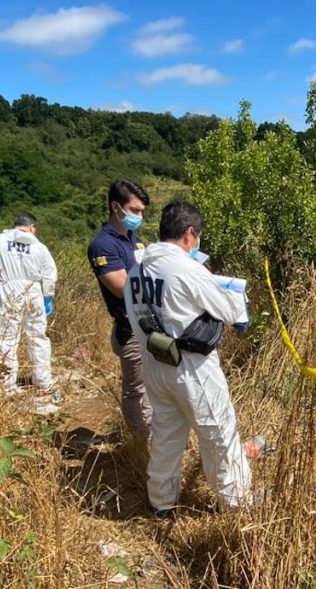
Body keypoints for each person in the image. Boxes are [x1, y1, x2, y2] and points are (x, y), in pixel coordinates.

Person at [124, 201, 252, 516]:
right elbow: (226, 309)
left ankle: (162, 503)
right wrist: (239, 303)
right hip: (192, 367)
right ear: (190, 234)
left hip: (155, 364)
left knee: (166, 436)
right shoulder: (186, 268)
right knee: (219, 434)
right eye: (198, 238)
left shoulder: (135, 271)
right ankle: (236, 505)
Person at [87, 180, 153, 436]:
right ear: (116, 207)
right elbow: (124, 287)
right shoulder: (103, 245)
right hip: (130, 329)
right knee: (136, 389)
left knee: (153, 387)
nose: (139, 216)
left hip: (149, 325)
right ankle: (141, 443)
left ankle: (152, 439)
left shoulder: (136, 242)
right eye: (134, 210)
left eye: (142, 212)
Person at [0, 214, 59, 414]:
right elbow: (49, 273)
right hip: (33, 291)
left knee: (6, 337)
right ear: (31, 227)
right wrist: (47, 296)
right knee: (37, 336)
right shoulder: (39, 247)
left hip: (5, 290)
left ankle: (7, 385)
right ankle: (43, 380)